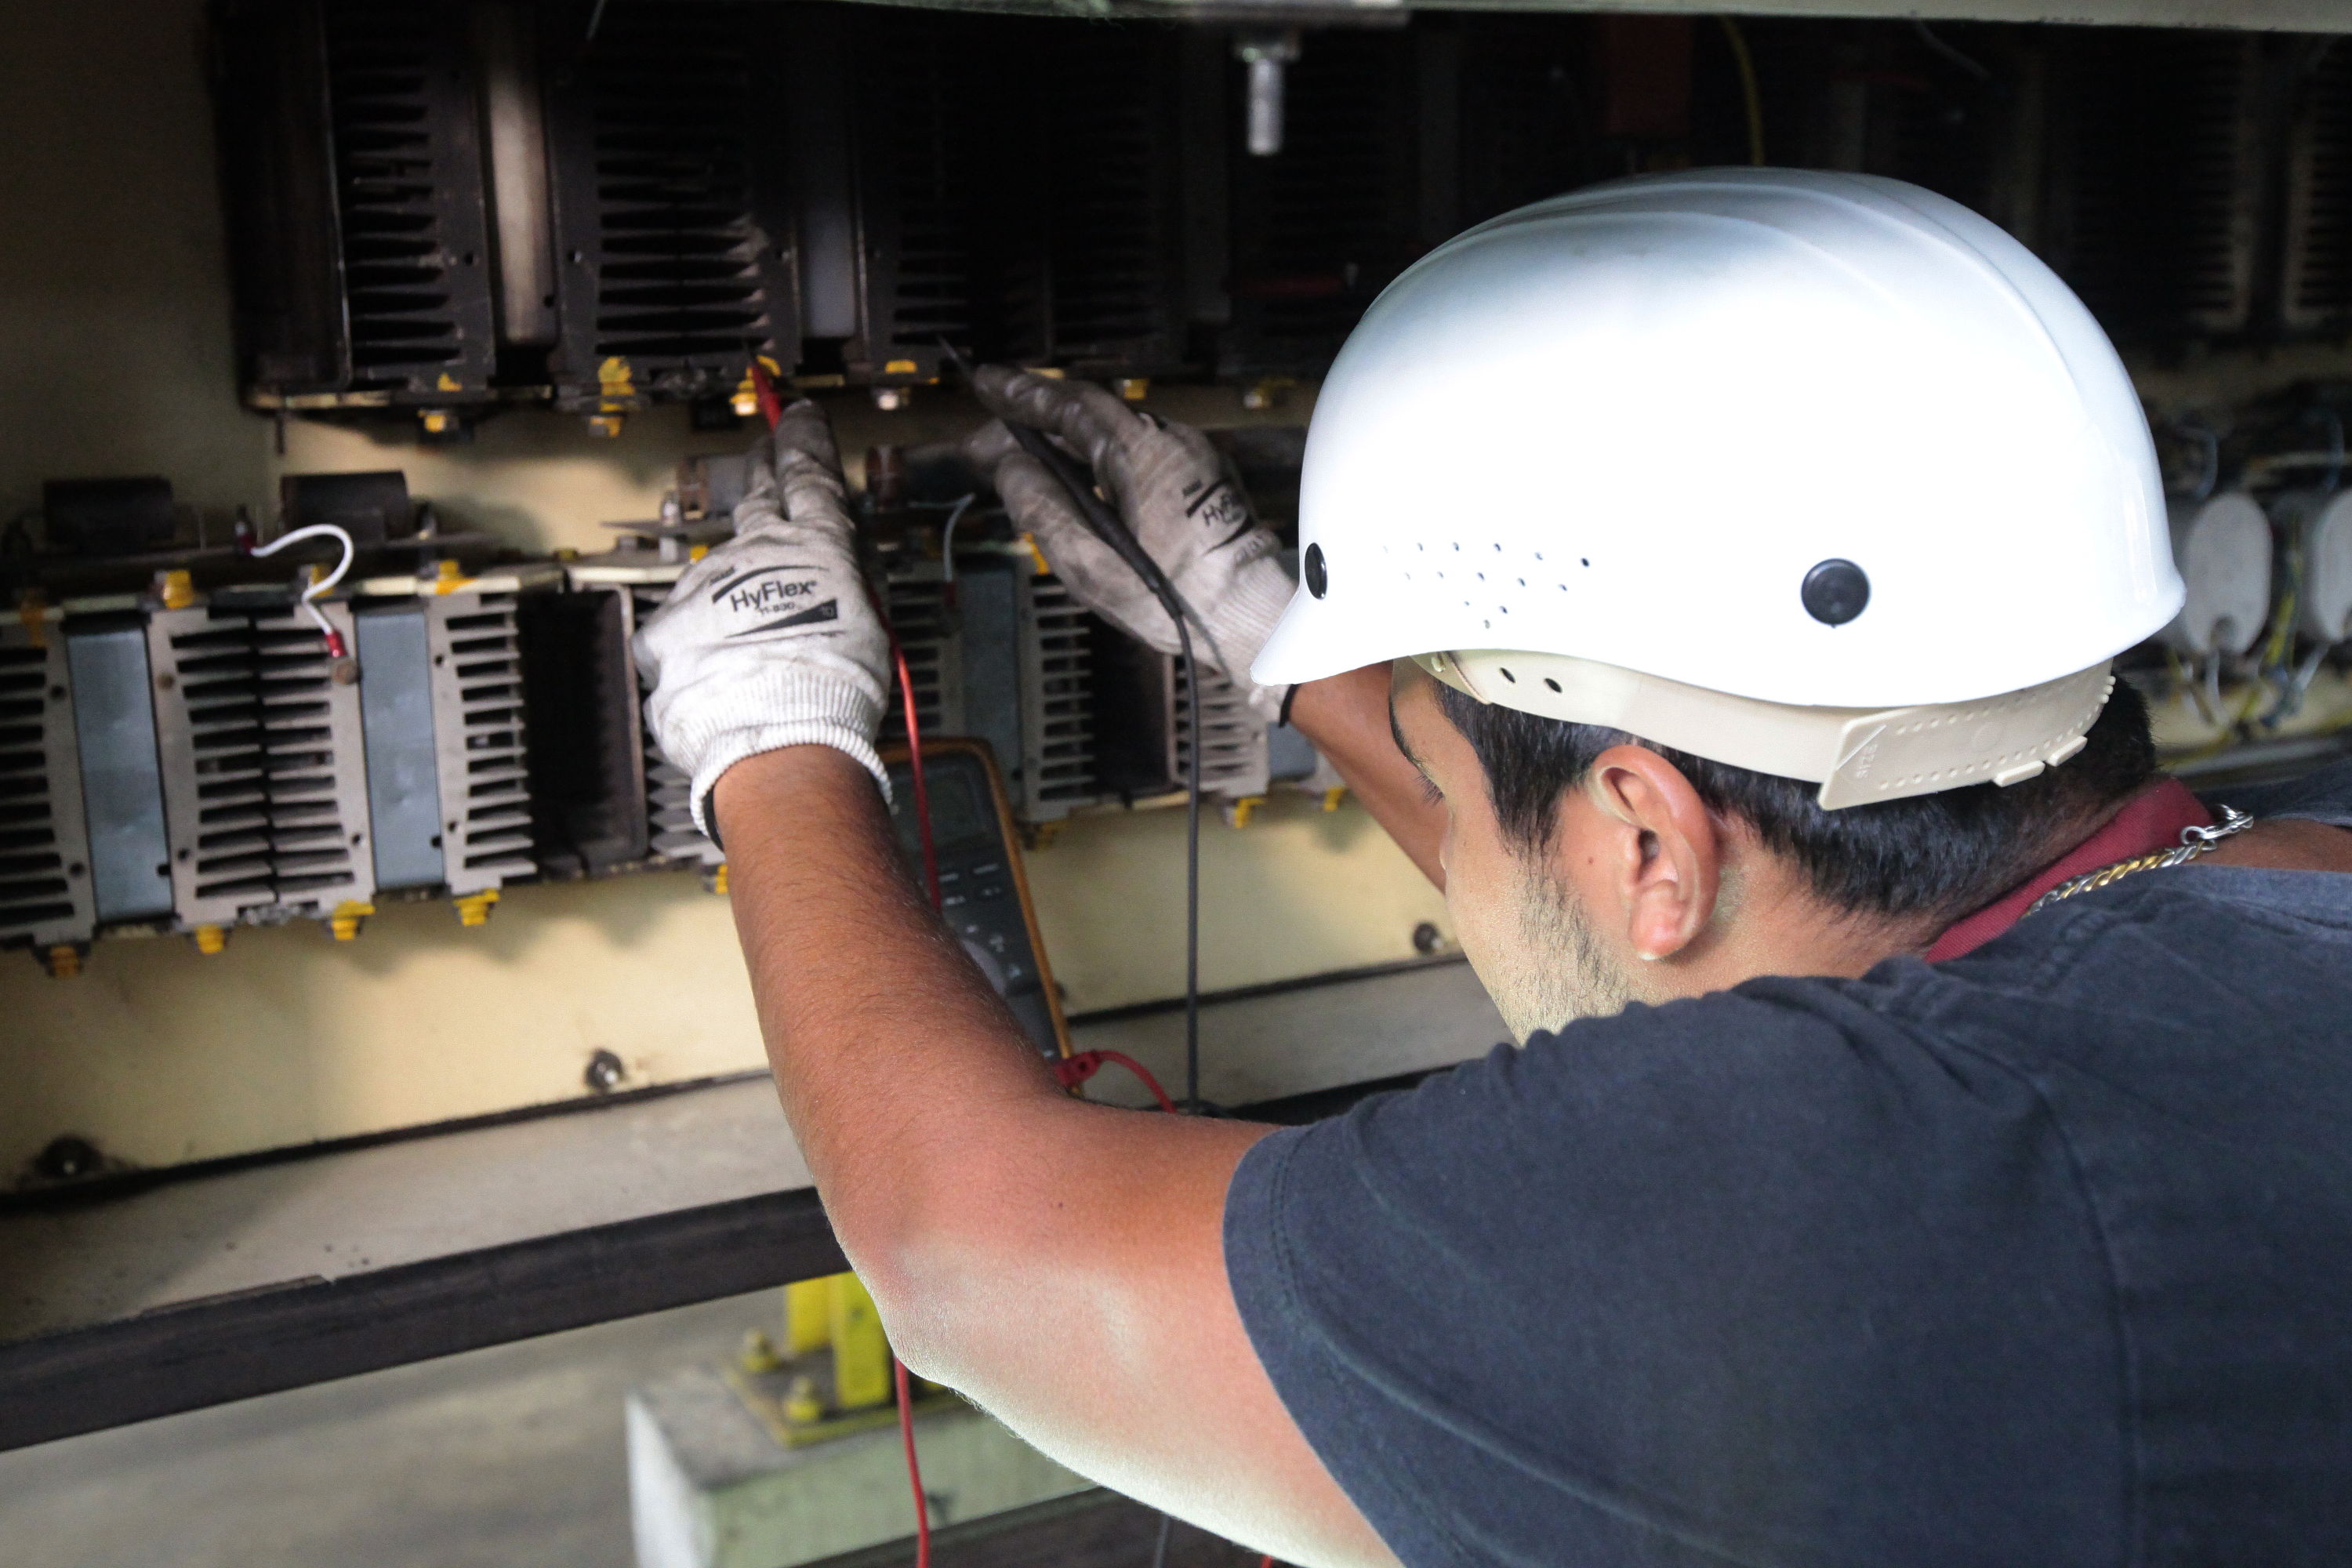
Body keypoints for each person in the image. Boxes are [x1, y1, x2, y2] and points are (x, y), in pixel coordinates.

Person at [634, 170, 2352, 1567]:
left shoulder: (1804, 1208)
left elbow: (963, 1250)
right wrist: (1312, 660)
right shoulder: (2304, 881)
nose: (1440, 843)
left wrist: (769, 730)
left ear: (1647, 844)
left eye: (1441, 797)